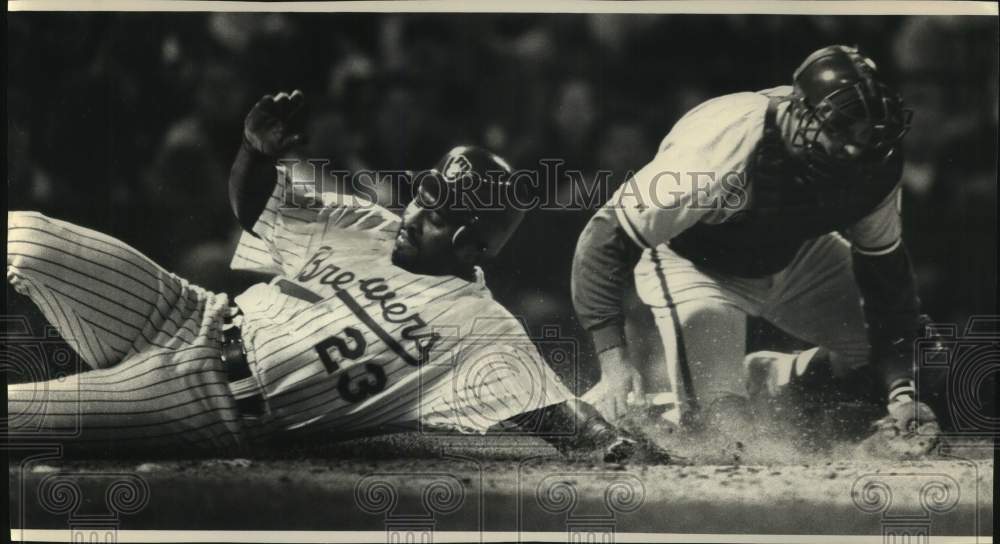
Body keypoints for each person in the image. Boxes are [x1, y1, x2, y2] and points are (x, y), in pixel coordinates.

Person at [7, 90, 675, 463]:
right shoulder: (367, 224)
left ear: (471, 240)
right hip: (186, 310)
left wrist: (616, 441)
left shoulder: (480, 328)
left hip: (211, 406)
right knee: (29, 235)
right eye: (425, 193)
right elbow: (253, 206)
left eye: (438, 212)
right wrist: (254, 152)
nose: (417, 210)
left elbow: (557, 416)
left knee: (16, 417)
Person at [571, 45, 941, 457]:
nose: (855, 149)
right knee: (728, 440)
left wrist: (901, 392)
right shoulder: (721, 147)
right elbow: (602, 241)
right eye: (842, 129)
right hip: (697, 265)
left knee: (920, 357)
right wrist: (614, 361)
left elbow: (886, 279)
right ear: (797, 111)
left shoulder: (878, 163)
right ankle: (680, 405)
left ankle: (780, 378)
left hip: (798, 252)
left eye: (865, 133)